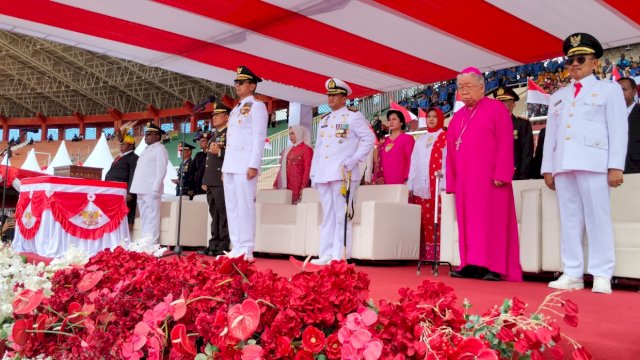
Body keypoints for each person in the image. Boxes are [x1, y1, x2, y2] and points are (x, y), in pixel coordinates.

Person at [542, 33, 627, 294]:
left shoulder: (609, 90)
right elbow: (551, 135)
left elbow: (618, 129)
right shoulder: (558, 95)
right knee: (569, 219)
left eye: (580, 59)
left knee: (597, 218)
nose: (574, 64)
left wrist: (615, 166)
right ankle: (573, 272)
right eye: (570, 60)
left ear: (594, 63)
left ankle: (602, 273)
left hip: (594, 162)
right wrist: (548, 167)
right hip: (563, 164)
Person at [446, 67, 522, 282]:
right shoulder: (457, 117)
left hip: (491, 179)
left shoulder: (496, 109)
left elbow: (506, 143)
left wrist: (502, 172)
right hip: (465, 181)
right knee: (468, 223)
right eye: (461, 88)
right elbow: (451, 151)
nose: (465, 92)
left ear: (482, 87)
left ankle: (494, 266)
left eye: (469, 86)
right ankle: (471, 264)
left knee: (493, 222)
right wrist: (452, 182)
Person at [309, 78, 375, 265]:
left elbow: (368, 139)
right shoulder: (324, 120)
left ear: (344, 97)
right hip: (324, 173)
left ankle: (340, 254)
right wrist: (314, 174)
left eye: (335, 95)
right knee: (327, 214)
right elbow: (320, 148)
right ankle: (326, 253)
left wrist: (354, 159)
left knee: (341, 215)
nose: (330, 98)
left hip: (343, 173)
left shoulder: (353, 116)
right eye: (329, 95)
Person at [221, 66, 268, 260]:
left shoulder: (257, 106)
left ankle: (247, 248)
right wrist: (225, 167)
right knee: (232, 206)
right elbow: (230, 140)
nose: (237, 86)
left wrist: (254, 164)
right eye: (236, 82)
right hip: (231, 164)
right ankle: (237, 246)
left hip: (244, 165)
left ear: (252, 85)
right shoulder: (235, 110)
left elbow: (259, 137)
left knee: (245, 206)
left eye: (241, 83)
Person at [408, 107, 447, 261]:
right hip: (420, 185)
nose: (431, 119)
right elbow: (414, 162)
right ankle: (425, 254)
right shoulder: (421, 139)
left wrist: (445, 182)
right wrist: (410, 183)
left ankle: (439, 254)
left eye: (434, 116)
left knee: (438, 217)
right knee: (423, 217)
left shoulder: (445, 136)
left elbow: (448, 161)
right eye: (429, 116)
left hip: (437, 183)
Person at [198, 103, 231, 256]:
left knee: (223, 212)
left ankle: (223, 244)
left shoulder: (230, 133)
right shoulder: (215, 135)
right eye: (213, 115)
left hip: (221, 178)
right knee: (214, 213)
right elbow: (208, 161)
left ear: (226, 117)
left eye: (218, 115)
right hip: (212, 179)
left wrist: (220, 152)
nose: (214, 118)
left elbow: (233, 154)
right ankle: (214, 243)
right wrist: (205, 179)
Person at [130, 122, 169, 244]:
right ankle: (145, 240)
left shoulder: (160, 149)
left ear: (157, 136)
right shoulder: (147, 150)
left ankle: (152, 242)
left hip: (151, 189)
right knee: (144, 216)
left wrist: (156, 188)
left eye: (149, 134)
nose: (145, 137)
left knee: (152, 216)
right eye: (145, 134)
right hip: (141, 188)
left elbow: (161, 170)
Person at [493, 86, 534, 180]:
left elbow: (526, 153)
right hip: (494, 177)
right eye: (498, 102)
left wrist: (522, 177)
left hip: (515, 175)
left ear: (513, 104)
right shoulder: (490, 126)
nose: (501, 104)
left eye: (504, 101)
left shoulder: (522, 124)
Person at [105, 134, 138, 232]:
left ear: (131, 146)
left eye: (124, 144)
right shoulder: (121, 157)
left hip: (125, 193)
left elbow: (133, 175)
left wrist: (130, 192)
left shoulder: (133, 157)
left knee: (127, 215)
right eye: (120, 144)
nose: (121, 146)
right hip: (115, 191)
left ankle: (126, 239)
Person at [274, 125, 313, 203]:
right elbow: (282, 168)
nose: (291, 136)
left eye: (293, 133)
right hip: (286, 184)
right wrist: (276, 182)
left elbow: (307, 170)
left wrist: (304, 187)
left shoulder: (307, 150)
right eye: (289, 134)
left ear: (300, 133)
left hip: (298, 186)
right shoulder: (288, 149)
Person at [374, 110, 415, 184]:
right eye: (389, 120)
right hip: (383, 182)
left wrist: (408, 180)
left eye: (394, 119)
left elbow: (411, 161)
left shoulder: (407, 138)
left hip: (401, 181)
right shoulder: (383, 141)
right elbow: (376, 160)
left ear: (401, 122)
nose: (391, 122)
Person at [618, 77, 640, 173]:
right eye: (617, 90)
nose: (620, 93)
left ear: (634, 92)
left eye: (624, 89)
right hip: (613, 172)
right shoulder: (605, 115)